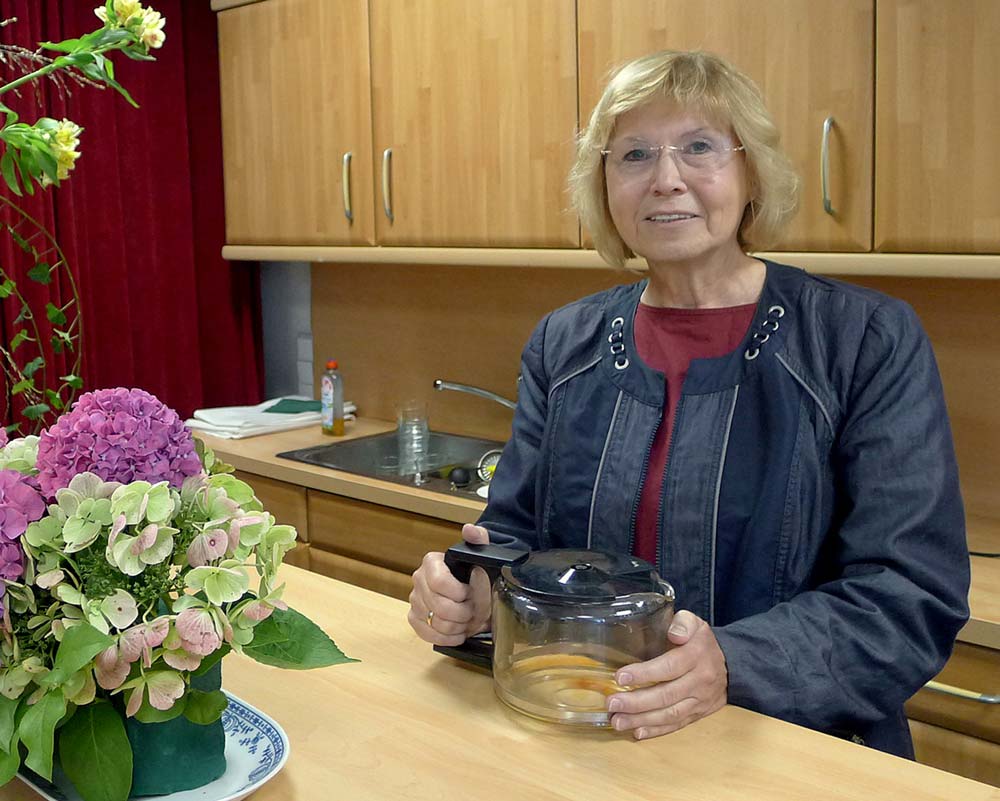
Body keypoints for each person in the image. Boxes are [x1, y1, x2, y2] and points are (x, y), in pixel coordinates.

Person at [407, 50, 970, 757]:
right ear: (605, 187)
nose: (666, 178)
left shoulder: (863, 340)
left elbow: (909, 594)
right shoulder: (564, 342)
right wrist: (474, 594)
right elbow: (516, 536)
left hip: (791, 750)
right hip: (590, 735)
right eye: (634, 153)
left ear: (750, 172)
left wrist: (731, 663)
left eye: (699, 147)